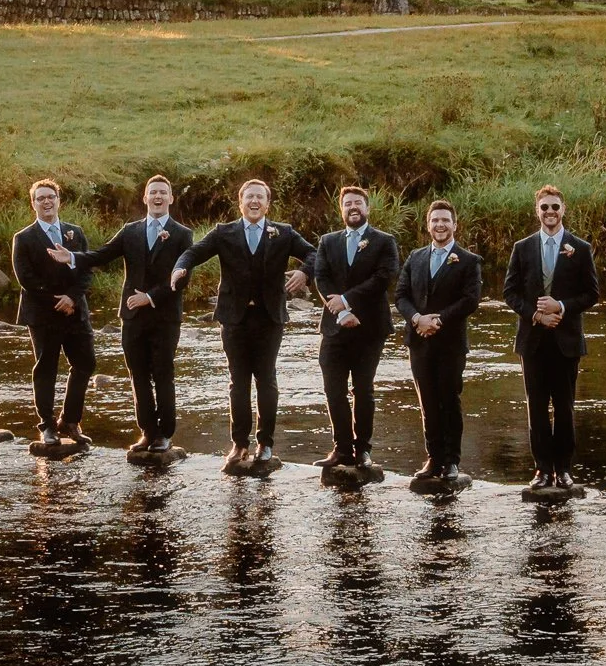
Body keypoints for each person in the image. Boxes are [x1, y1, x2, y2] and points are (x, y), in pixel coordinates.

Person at [171, 178, 314, 474]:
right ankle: (239, 443)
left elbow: (315, 254)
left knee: (266, 380)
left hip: (269, 318)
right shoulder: (224, 233)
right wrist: (180, 267)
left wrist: (304, 272)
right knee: (238, 382)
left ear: (267, 203)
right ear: (240, 201)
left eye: (260, 197)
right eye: (249, 196)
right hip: (233, 318)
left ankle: (266, 444)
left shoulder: (283, 233)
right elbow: (193, 253)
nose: (254, 202)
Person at [80, 175, 192, 453]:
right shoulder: (129, 231)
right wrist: (71, 258)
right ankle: (147, 432)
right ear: (144, 198)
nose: (157, 196)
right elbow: (101, 255)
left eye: (162, 193)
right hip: (131, 317)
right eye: (152, 192)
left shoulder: (182, 234)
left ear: (170, 199)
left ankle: (165, 434)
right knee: (137, 375)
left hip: (165, 317)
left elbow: (181, 280)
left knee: (163, 373)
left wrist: (150, 297)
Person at [502, 184, 600, 489]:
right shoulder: (522, 247)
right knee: (536, 406)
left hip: (566, 340)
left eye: (555, 207)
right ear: (537, 211)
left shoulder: (580, 248)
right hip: (532, 341)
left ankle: (564, 469)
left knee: (565, 406)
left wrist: (562, 306)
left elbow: (592, 294)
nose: (550, 212)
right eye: (544, 207)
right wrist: (536, 313)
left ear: (563, 210)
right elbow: (510, 293)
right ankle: (542, 470)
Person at [309, 184, 401, 474]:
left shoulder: (384, 241)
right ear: (341, 209)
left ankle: (363, 450)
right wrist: (341, 311)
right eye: (348, 203)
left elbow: (384, 277)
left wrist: (348, 300)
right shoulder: (328, 240)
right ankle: (341, 449)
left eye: (358, 203)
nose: (353, 207)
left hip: (370, 328)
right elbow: (321, 277)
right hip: (334, 327)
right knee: (333, 390)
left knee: (363, 390)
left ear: (368, 208)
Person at [394, 199, 482, 484]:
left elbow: (470, 300)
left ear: (455, 225)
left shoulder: (468, 260)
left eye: (445, 220)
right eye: (435, 221)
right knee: (427, 402)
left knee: (449, 399)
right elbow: (401, 296)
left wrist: (439, 320)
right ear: (428, 225)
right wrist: (417, 319)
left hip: (450, 343)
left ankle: (452, 461)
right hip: (418, 341)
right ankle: (433, 458)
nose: (440, 225)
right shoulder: (415, 257)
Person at [11, 179, 96, 448]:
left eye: (51, 197)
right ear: (33, 203)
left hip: (75, 311)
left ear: (59, 200)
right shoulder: (23, 238)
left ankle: (70, 421)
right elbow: (25, 277)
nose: (46, 202)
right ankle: (46, 425)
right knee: (46, 368)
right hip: (42, 314)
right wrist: (55, 300)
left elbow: (87, 268)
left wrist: (72, 297)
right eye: (40, 198)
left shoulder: (75, 232)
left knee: (85, 363)